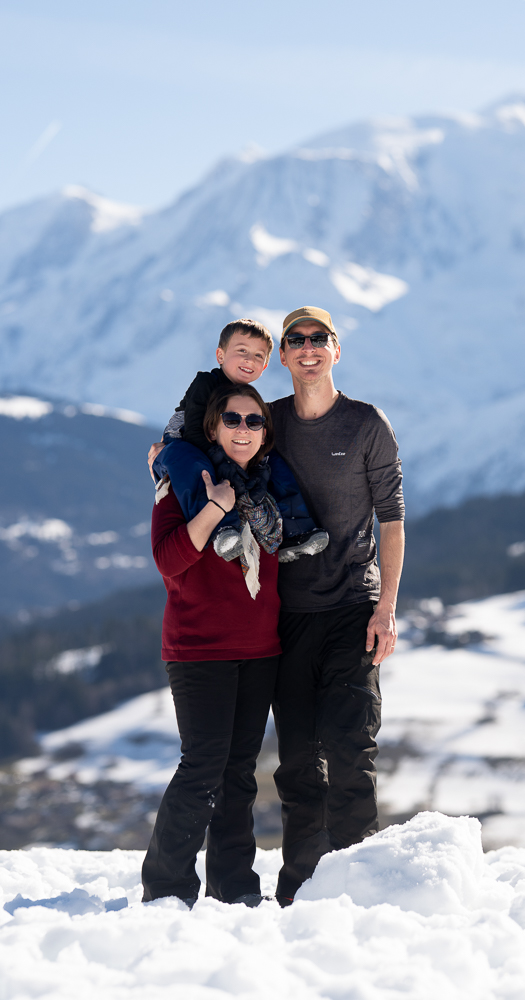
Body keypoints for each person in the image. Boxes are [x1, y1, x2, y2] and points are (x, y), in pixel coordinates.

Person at [269, 306, 405, 906]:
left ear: (336, 349)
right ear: (282, 355)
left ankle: (360, 889)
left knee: (351, 751)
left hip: (355, 605)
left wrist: (387, 609)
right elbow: (211, 446)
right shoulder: (267, 422)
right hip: (288, 614)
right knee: (298, 762)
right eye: (295, 341)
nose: (307, 349)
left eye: (317, 339)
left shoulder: (366, 423)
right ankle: (298, 889)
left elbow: (393, 521)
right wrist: (163, 456)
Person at [142, 383, 282, 908]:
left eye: (254, 421)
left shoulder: (271, 488)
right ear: (213, 427)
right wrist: (215, 507)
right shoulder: (180, 482)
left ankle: (235, 887)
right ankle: (167, 888)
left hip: (261, 647)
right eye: (232, 420)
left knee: (239, 772)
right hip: (199, 648)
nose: (243, 429)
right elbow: (169, 560)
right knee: (202, 766)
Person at [149, 318, 328, 563]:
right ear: (220, 355)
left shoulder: (248, 398)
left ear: (264, 366)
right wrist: (224, 465)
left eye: (258, 356)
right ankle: (223, 529)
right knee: (196, 469)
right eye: (242, 351)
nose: (249, 360)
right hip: (184, 443)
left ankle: (297, 529)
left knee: (273, 461)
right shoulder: (206, 383)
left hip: (218, 448)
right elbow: (192, 430)